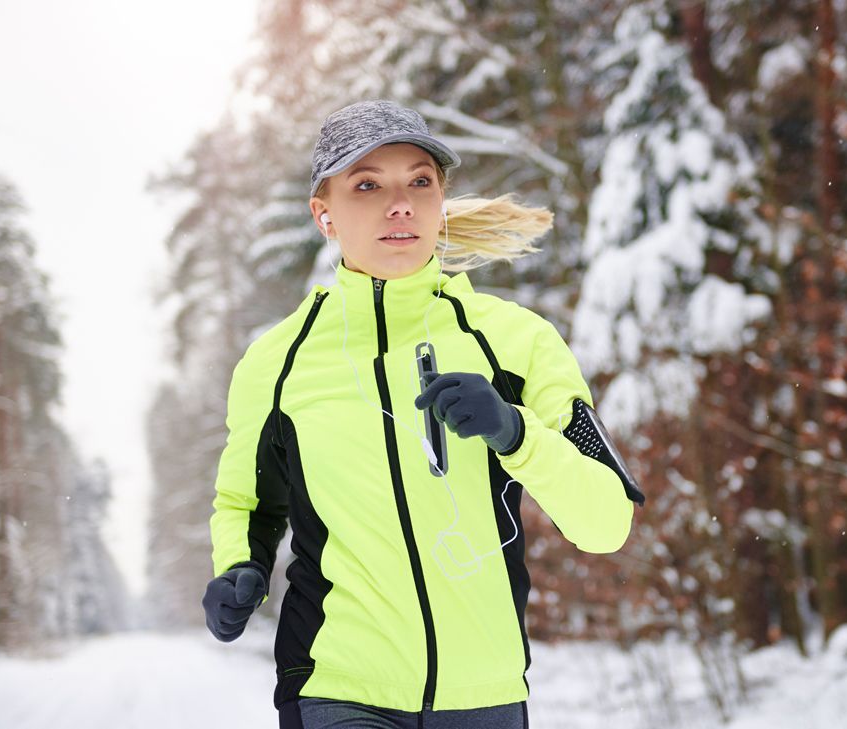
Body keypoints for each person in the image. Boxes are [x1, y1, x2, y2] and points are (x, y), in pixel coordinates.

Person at [201, 99, 645, 729]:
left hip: (484, 695)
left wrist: (515, 432)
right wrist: (238, 569)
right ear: (323, 214)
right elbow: (249, 503)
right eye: (366, 185)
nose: (399, 203)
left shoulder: (517, 343)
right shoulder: (276, 364)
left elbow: (606, 523)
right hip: (335, 683)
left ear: (440, 200)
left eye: (419, 181)